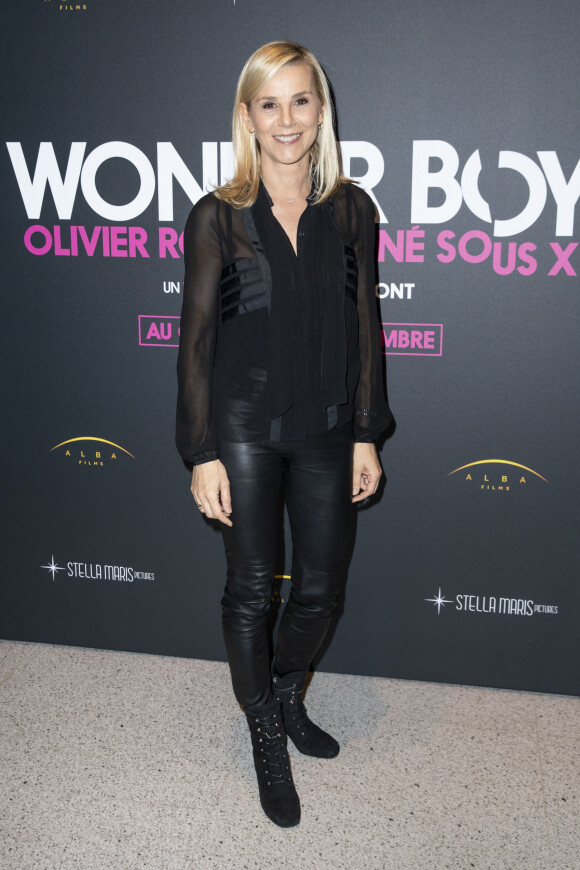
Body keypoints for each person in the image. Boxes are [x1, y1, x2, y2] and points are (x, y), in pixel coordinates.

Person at [176, 40, 392, 828]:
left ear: (320, 110)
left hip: (331, 429)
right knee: (250, 586)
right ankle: (266, 728)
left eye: (301, 100)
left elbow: (367, 329)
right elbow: (195, 343)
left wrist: (367, 432)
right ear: (248, 116)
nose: (287, 119)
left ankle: (280, 691)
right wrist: (201, 452)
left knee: (321, 589)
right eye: (270, 103)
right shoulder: (217, 217)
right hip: (242, 432)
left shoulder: (353, 211)